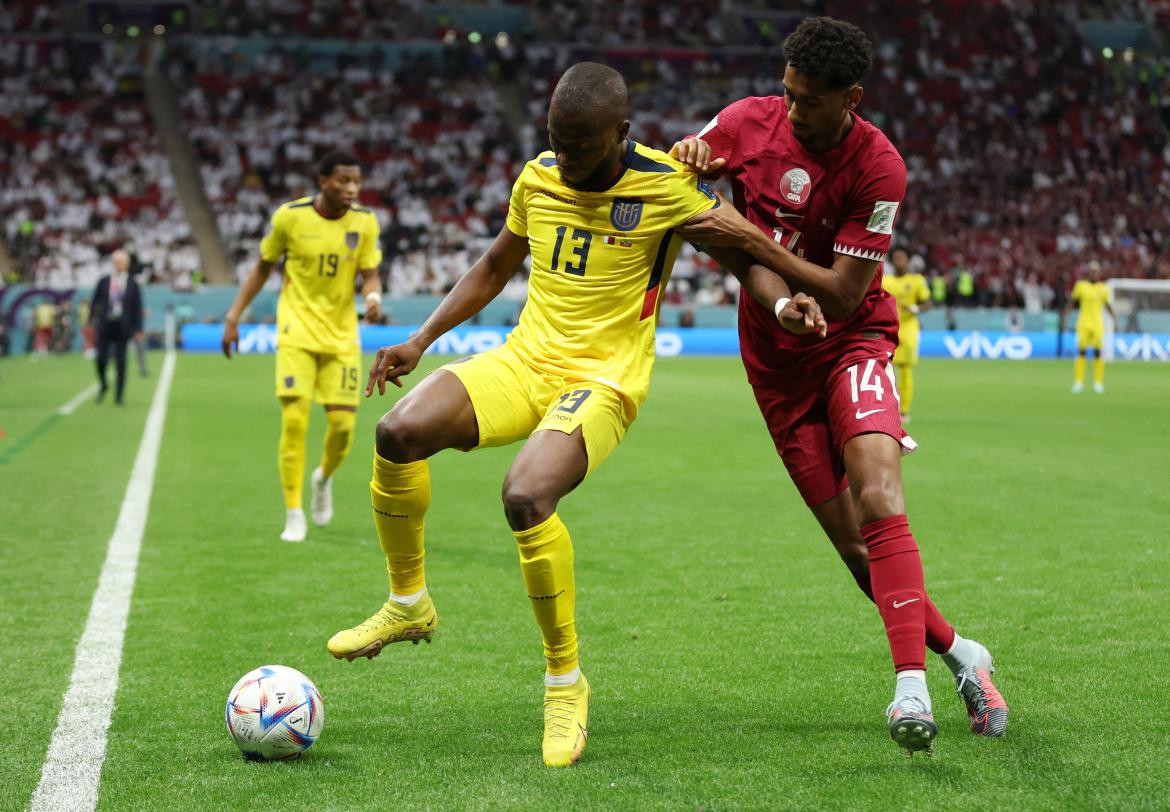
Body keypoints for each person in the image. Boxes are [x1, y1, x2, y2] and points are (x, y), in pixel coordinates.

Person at [327, 62, 825, 768]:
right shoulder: (539, 176)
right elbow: (495, 267)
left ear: (621, 134)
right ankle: (409, 602)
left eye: (583, 146)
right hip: (525, 361)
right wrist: (418, 339)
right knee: (397, 431)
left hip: (603, 380)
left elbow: (743, 254)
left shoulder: (664, 185)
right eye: (557, 140)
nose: (566, 158)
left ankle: (565, 681)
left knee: (526, 497)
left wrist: (780, 304)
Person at [671, 16, 1007, 755]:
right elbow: (684, 199)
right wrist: (691, 160)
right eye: (787, 93)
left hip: (852, 340)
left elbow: (846, 293)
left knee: (881, 496)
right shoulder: (745, 124)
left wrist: (748, 234)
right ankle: (961, 654)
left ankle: (909, 687)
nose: (791, 110)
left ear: (849, 98)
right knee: (858, 552)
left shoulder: (879, 167)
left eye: (809, 100)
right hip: (775, 362)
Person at [223, 151, 384, 543]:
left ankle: (323, 478)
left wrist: (374, 298)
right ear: (323, 180)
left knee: (344, 429)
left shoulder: (364, 222)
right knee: (295, 421)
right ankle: (294, 512)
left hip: (342, 335)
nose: (352, 189)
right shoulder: (289, 217)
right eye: (344, 180)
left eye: (356, 182)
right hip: (296, 332)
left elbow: (370, 274)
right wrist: (233, 317)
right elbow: (262, 268)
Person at [881, 246, 931, 423]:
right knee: (886, 369)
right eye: (896, 258)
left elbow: (927, 303)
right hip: (889, 328)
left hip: (909, 329)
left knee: (905, 370)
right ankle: (888, 406)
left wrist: (916, 308)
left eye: (902, 257)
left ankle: (904, 411)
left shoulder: (917, 280)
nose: (899, 261)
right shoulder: (885, 281)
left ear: (908, 261)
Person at [90, 249, 144, 405]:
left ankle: (119, 396)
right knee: (101, 358)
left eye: (122, 261)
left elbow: (137, 308)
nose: (120, 264)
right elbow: (95, 302)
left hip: (123, 326)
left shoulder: (133, 284)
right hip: (105, 325)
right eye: (117, 261)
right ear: (113, 263)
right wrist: (91, 320)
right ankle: (104, 384)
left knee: (121, 362)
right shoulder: (105, 281)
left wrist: (138, 328)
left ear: (127, 264)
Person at [1062, 260, 1114, 394]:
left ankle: (1098, 383)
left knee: (1098, 353)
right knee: (1081, 352)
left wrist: (1114, 319)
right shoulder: (1080, 286)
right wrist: (1065, 317)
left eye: (1096, 272)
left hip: (1097, 324)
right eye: (1092, 271)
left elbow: (1107, 306)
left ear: (1099, 273)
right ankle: (1079, 382)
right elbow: (1072, 302)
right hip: (1084, 323)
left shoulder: (1103, 288)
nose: (1094, 274)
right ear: (1088, 273)